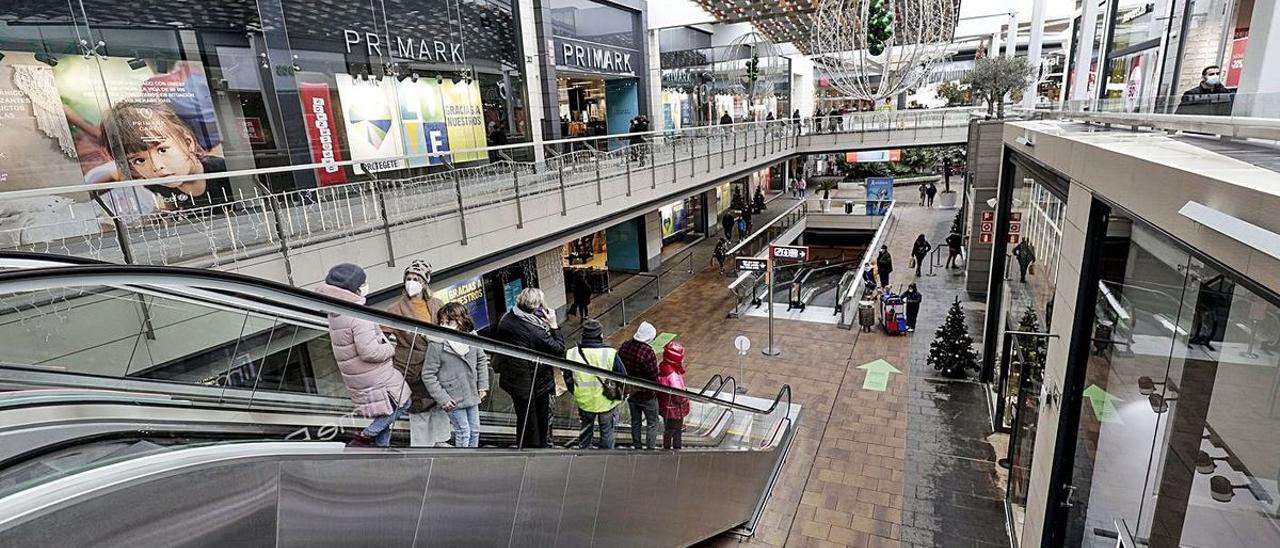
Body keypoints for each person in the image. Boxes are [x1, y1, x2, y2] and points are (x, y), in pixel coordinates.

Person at [316, 263, 411, 447]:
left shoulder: (335, 313)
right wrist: (390, 348)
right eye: (363, 282)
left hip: (360, 378)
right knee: (403, 403)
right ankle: (366, 435)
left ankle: (381, 452)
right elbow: (369, 352)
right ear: (355, 288)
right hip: (375, 376)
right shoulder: (358, 315)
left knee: (384, 413)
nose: (366, 285)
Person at [101, 101, 230, 210]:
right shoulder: (157, 182)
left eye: (162, 150)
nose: (156, 167)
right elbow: (172, 203)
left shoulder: (223, 171)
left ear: (187, 143)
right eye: (139, 160)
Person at [384, 260, 450, 447]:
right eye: (408, 278)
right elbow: (382, 334)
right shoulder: (395, 309)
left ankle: (441, 441)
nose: (411, 282)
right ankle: (422, 447)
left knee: (439, 405)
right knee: (420, 409)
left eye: (416, 278)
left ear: (425, 282)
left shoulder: (436, 303)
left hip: (436, 364)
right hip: (412, 366)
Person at [491, 288, 565, 448]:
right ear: (536, 307)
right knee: (538, 420)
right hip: (534, 383)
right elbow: (558, 349)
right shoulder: (534, 332)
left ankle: (525, 447)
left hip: (514, 380)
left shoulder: (506, 318)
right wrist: (553, 325)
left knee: (524, 419)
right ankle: (537, 450)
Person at [420, 302, 490, 448]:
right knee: (463, 431)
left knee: (475, 430)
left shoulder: (472, 338)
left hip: (471, 392)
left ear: (461, 320)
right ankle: (461, 464)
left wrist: (483, 385)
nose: (445, 325)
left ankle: (471, 461)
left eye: (450, 321)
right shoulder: (437, 344)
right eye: (442, 322)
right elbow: (428, 374)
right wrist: (443, 398)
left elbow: (482, 360)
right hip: (452, 397)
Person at [563, 319, 627, 449]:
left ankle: (584, 453)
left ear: (583, 335)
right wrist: (621, 394)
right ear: (600, 335)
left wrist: (575, 391)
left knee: (586, 429)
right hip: (607, 402)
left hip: (584, 401)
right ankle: (605, 456)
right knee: (607, 430)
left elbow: (568, 378)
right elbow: (622, 376)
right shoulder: (610, 353)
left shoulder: (571, 353)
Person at [619, 321, 661, 450]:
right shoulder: (647, 352)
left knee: (635, 421)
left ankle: (637, 445)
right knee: (652, 423)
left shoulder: (625, 346)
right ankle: (650, 448)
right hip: (647, 395)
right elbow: (654, 376)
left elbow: (619, 367)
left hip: (631, 392)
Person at [657, 341, 690, 450]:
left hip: (665, 408)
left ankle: (666, 447)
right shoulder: (673, 375)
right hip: (675, 410)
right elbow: (679, 396)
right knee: (676, 432)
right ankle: (676, 449)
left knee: (668, 429)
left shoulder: (663, 367)